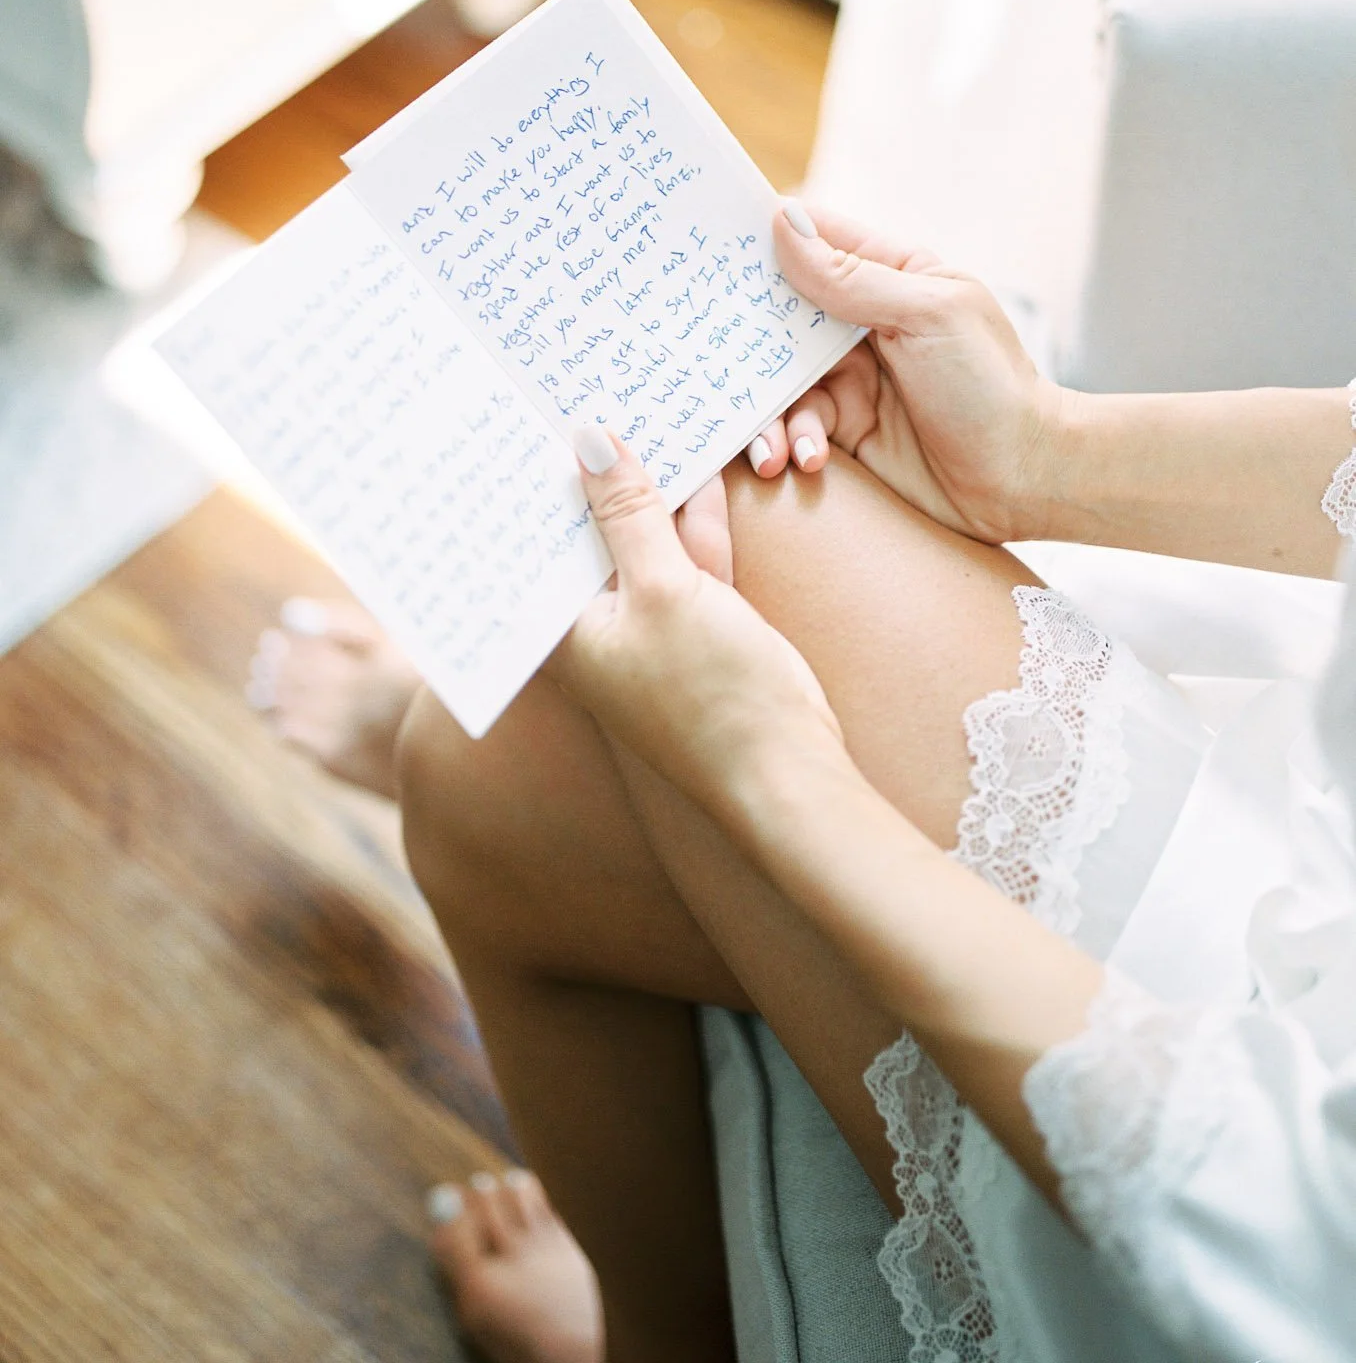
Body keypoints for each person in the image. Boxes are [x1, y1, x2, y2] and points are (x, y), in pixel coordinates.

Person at [250, 201, 1356, 1363]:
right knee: (479, 771)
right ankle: (661, 1337)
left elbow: (1286, 1241)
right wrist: (1047, 449)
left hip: (1255, 1192)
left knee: (721, 533)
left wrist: (771, 768)